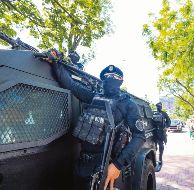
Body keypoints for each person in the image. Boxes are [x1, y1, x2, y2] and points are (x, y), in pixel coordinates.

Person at [47, 53, 146, 190]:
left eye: (115, 77)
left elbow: (140, 136)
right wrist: (55, 63)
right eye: (107, 77)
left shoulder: (128, 104)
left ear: (121, 80)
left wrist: (117, 165)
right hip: (83, 162)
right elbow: (71, 85)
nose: (110, 79)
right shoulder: (94, 97)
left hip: (108, 164)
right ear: (102, 80)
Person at [152, 102, 171, 171]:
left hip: (161, 132)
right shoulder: (153, 113)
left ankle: (160, 159)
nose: (159, 107)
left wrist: (166, 127)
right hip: (154, 132)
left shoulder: (164, 113)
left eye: (160, 106)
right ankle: (154, 160)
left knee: (161, 146)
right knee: (154, 146)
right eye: (157, 106)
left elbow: (169, 121)